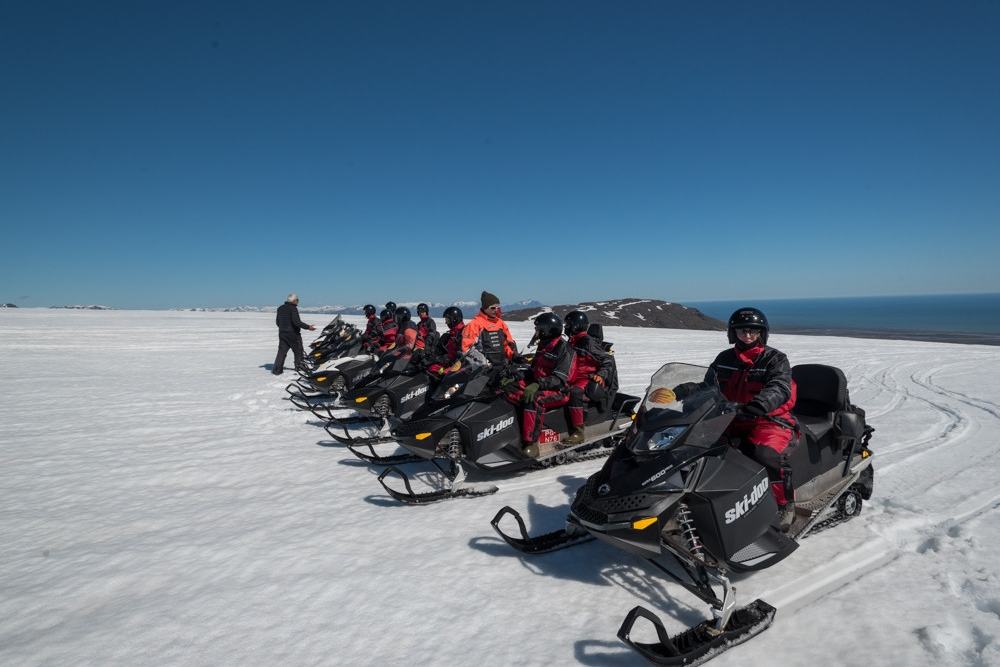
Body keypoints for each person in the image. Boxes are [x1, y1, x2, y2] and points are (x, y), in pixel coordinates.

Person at [669, 307, 797, 525]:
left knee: (764, 455)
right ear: (733, 333)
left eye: (753, 331)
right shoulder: (725, 358)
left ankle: (784, 504)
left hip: (767, 420)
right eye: (742, 330)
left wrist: (760, 403)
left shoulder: (774, 359)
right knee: (693, 446)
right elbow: (709, 384)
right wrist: (681, 391)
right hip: (730, 417)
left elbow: (780, 386)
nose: (747, 335)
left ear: (761, 333)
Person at [501, 312, 576, 457]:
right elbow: (534, 370)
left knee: (534, 399)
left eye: (538, 329)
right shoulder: (544, 345)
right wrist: (516, 377)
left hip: (559, 390)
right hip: (540, 383)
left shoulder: (564, 349)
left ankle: (531, 443)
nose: (536, 332)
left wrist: (537, 385)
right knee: (508, 388)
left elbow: (560, 378)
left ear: (547, 330)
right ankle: (510, 430)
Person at [562, 310, 616, 445]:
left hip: (587, 378)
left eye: (568, 325)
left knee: (574, 392)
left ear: (575, 326)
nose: (565, 327)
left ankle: (578, 432)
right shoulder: (572, 341)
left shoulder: (586, 342)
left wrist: (601, 375)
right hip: (573, 376)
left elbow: (607, 359)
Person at [460, 291, 518, 366]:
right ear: (485, 308)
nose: (496, 310)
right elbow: (467, 349)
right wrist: (482, 363)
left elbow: (506, 344)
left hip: (502, 366)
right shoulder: (475, 324)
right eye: (493, 308)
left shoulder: (500, 323)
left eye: (498, 308)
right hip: (483, 369)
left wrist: (513, 356)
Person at [273, 293, 316, 375]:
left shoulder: (280, 308)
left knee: (281, 352)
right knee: (298, 351)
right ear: (294, 300)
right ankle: (300, 369)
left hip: (282, 334)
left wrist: (283, 328)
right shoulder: (293, 308)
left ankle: (277, 370)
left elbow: (278, 322)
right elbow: (297, 322)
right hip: (293, 334)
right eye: (297, 300)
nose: (298, 302)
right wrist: (308, 327)